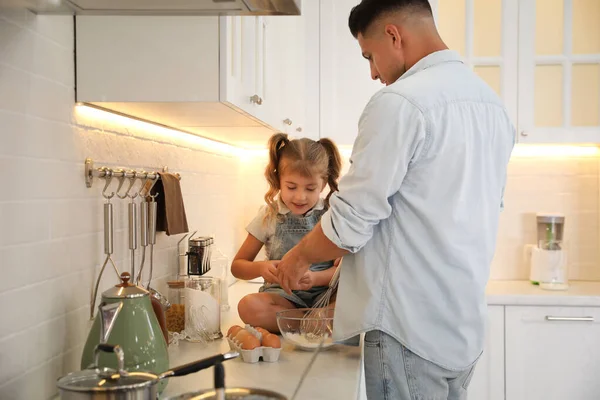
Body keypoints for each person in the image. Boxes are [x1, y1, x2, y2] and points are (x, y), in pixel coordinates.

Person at [276, 0, 515, 399]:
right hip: (463, 326)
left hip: (408, 329)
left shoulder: (400, 103)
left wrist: (297, 257)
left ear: (393, 35)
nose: (372, 72)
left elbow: (351, 220)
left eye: (370, 56)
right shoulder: (492, 106)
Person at [232, 133, 343, 333]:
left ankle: (304, 321)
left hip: (326, 296)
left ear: (324, 184)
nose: (300, 197)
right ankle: (313, 322)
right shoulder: (268, 215)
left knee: (353, 299)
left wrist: (316, 278)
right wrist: (261, 268)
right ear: (278, 180)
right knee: (248, 306)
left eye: (310, 189)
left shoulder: (332, 215)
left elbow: (344, 270)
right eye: (291, 187)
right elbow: (237, 267)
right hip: (283, 298)